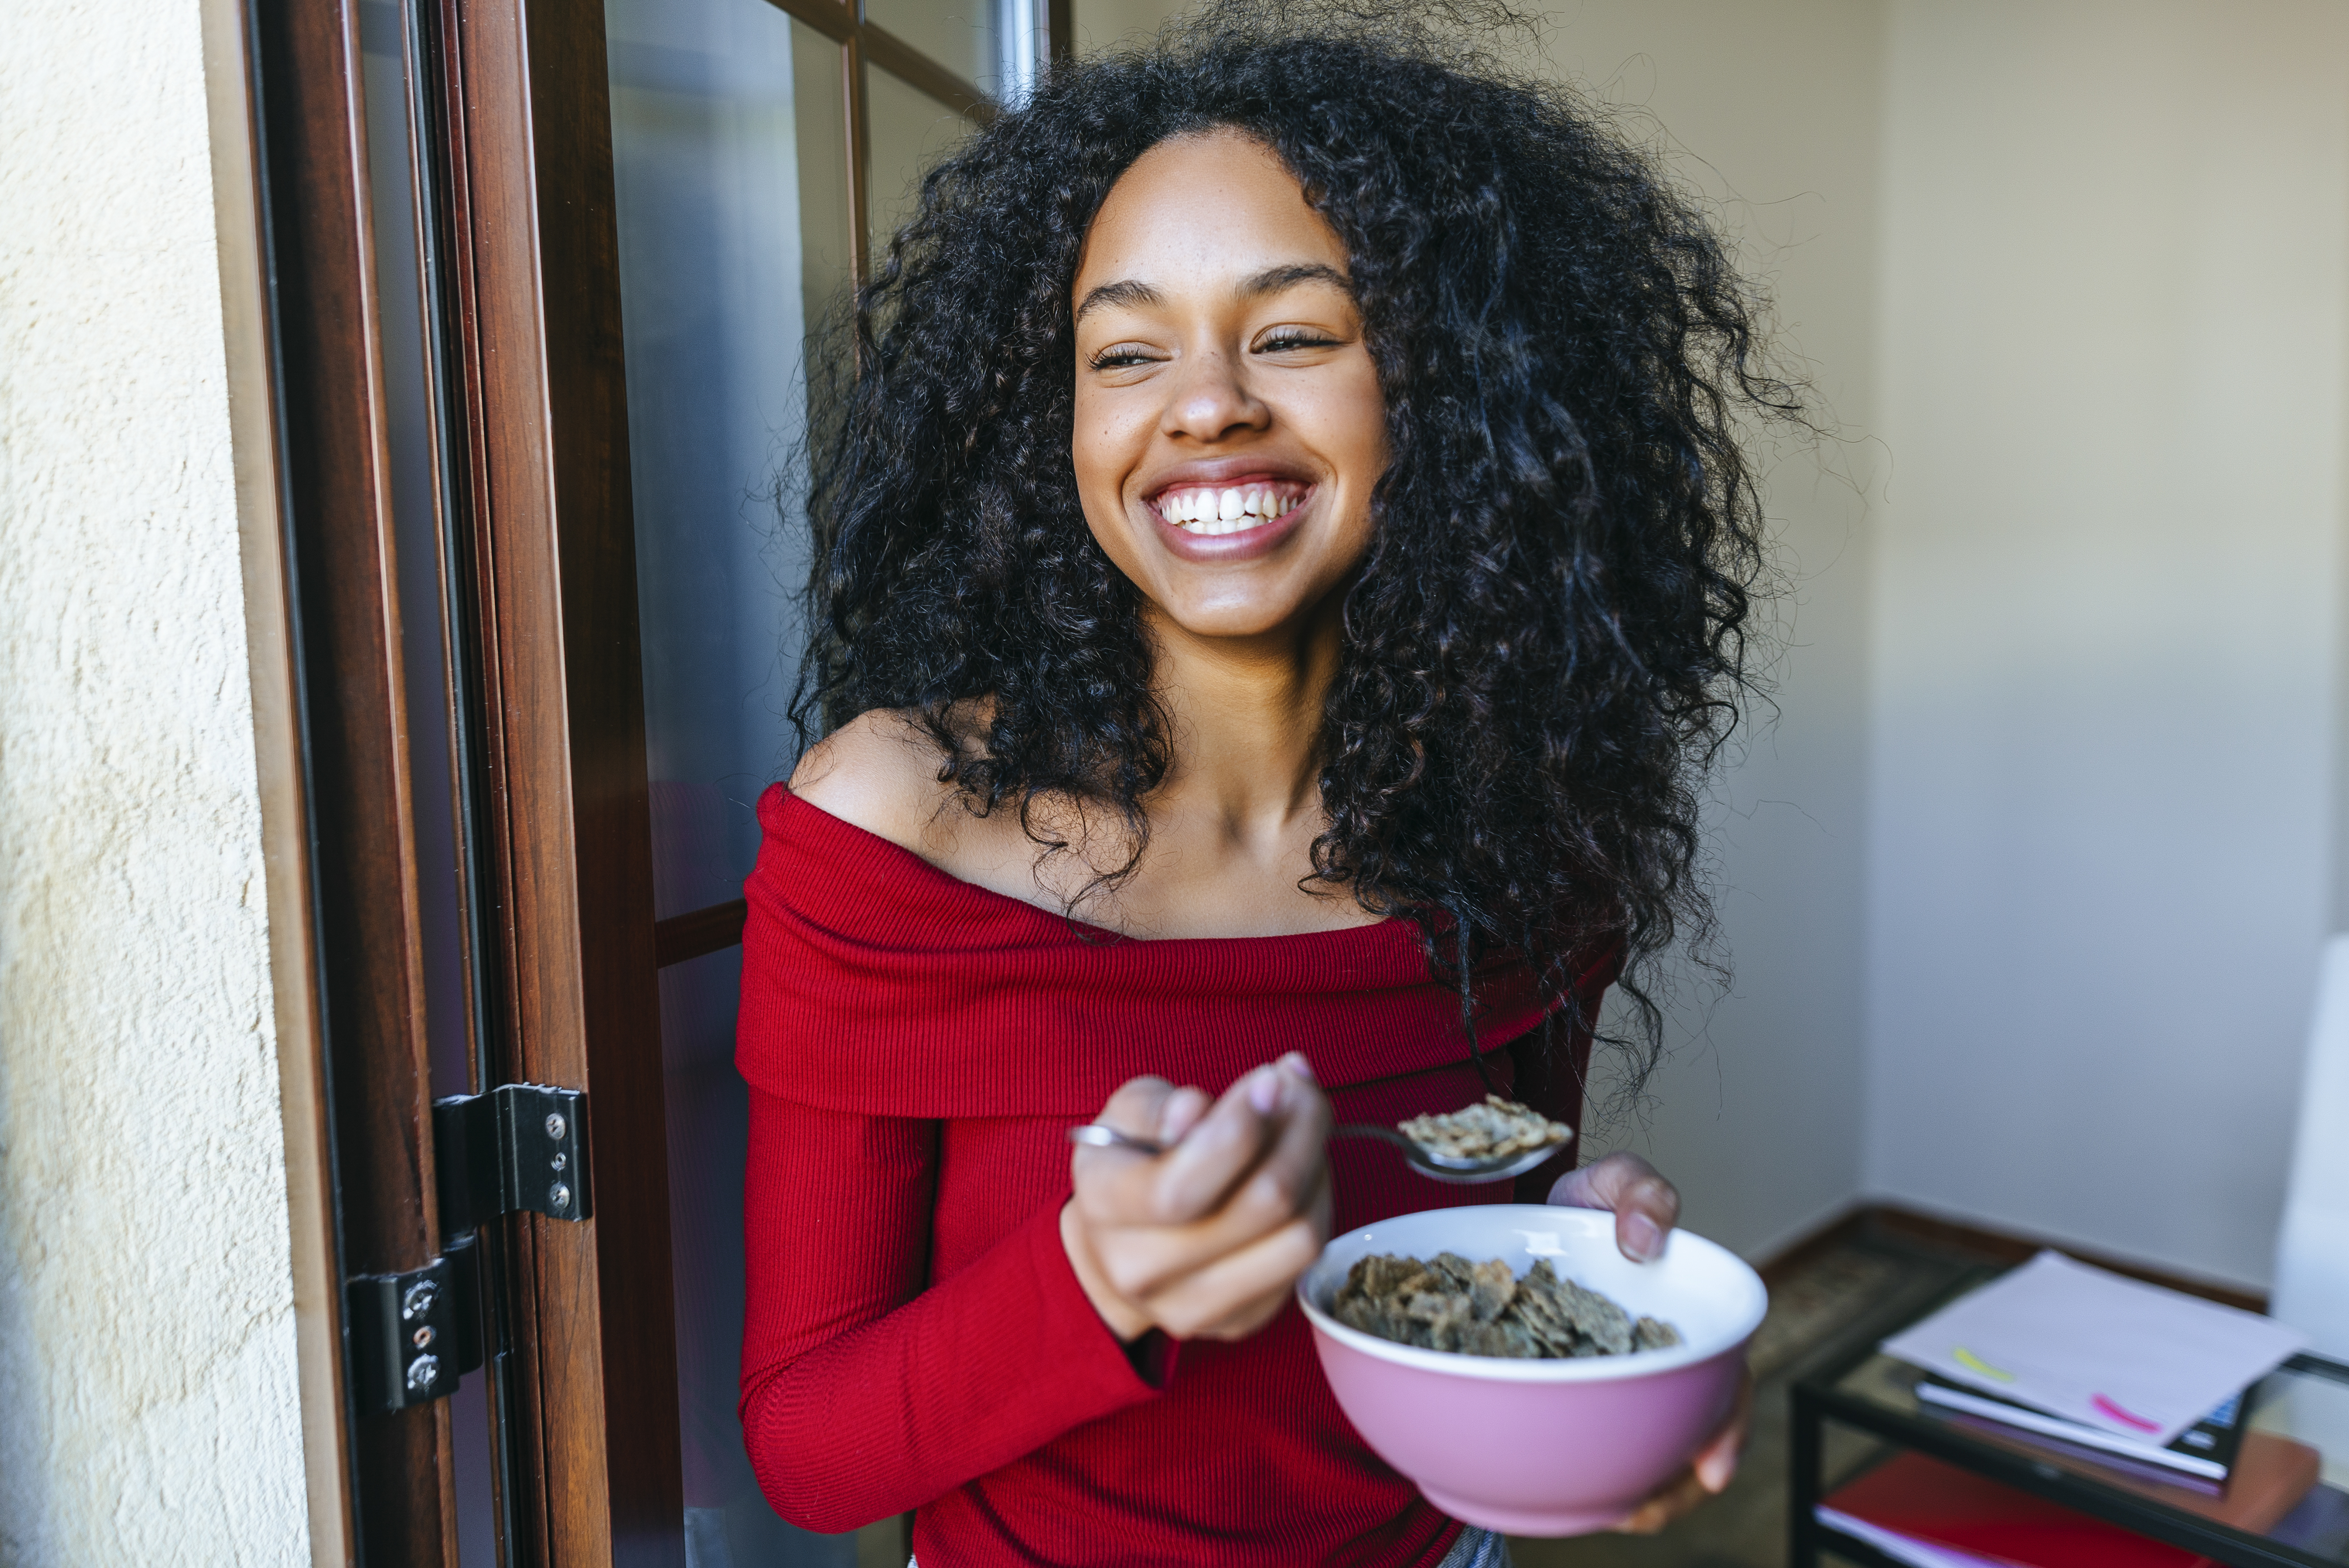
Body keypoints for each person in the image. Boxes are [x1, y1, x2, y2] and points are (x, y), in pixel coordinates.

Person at [735, 7, 1785, 1563]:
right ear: (1057, 426)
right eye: (1126, 351)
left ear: (1449, 388)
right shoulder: (899, 817)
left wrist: (1561, 1266)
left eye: (1294, 334)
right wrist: (1102, 1285)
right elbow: (809, 1453)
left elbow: (1456, 1230)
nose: (1206, 401)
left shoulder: (1532, 819)